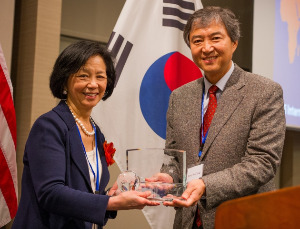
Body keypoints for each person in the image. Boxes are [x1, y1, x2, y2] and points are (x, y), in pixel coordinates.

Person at [152, 6, 286, 229]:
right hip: (187, 220)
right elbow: (174, 157)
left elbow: (263, 161)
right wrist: (170, 178)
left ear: (234, 42)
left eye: (215, 38)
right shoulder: (179, 97)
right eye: (197, 41)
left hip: (242, 218)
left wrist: (206, 184)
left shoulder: (265, 92)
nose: (206, 48)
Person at [12, 40, 159, 229]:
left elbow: (84, 194)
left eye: (100, 76)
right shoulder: (49, 126)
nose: (93, 84)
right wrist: (110, 203)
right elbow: (51, 193)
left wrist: (111, 197)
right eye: (83, 76)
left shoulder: (96, 132)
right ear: (64, 79)